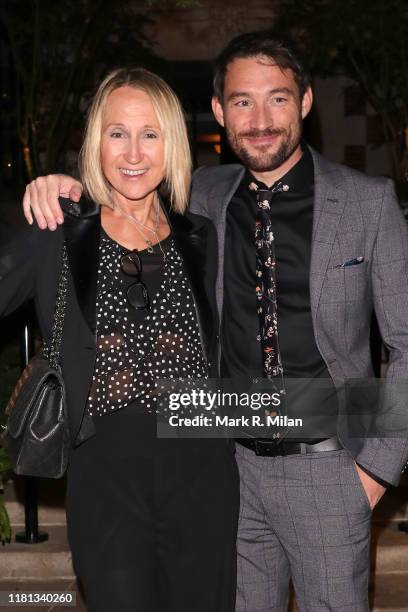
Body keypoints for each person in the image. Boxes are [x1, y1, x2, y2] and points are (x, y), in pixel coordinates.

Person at [21, 32, 408, 611]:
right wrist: (64, 186)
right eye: (242, 102)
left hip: (329, 467)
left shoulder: (368, 201)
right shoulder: (202, 197)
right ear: (221, 112)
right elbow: (126, 185)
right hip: (229, 465)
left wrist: (375, 469)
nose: (260, 119)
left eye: (277, 98)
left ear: (304, 102)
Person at [1, 67, 239, 612]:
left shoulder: (199, 235)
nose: (134, 152)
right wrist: (45, 184)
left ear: (171, 143)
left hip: (204, 471)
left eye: (150, 133)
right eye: (117, 133)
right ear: (96, 142)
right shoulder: (59, 228)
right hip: (106, 476)